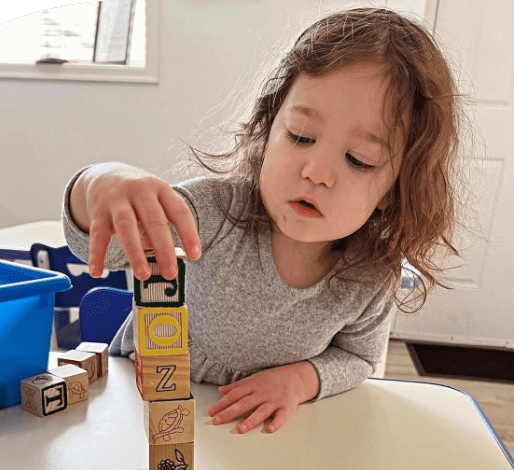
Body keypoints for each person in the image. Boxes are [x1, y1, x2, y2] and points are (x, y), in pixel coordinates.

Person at [63, 7, 462, 434]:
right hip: (137, 408)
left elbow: (359, 358)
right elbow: (101, 249)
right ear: (267, 129)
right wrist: (97, 184)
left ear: (396, 189)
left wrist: (301, 380)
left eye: (359, 160)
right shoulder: (215, 210)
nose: (317, 172)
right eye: (301, 136)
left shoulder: (369, 275)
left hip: (252, 438)